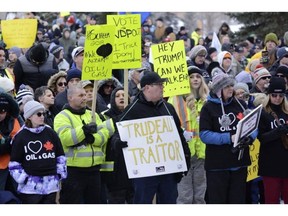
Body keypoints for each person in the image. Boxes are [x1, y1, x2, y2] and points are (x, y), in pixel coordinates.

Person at [113, 71, 191, 204]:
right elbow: (117, 133)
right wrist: (117, 142)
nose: (163, 87)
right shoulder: (133, 109)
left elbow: (178, 134)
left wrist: (186, 157)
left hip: (168, 170)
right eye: (159, 84)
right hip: (145, 173)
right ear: (147, 87)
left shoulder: (168, 108)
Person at [199, 72, 257, 204]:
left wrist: (250, 137)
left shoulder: (240, 104)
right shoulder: (208, 108)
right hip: (218, 165)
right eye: (227, 86)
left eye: (232, 85)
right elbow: (204, 135)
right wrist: (229, 138)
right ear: (218, 89)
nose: (231, 89)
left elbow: (253, 124)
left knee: (237, 201)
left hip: (239, 163)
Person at [53, 84, 115, 204]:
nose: (84, 98)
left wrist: (91, 139)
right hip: (74, 171)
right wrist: (84, 130)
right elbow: (66, 138)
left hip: (94, 170)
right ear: (70, 97)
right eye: (81, 95)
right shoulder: (62, 117)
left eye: (85, 95)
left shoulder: (93, 114)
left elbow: (104, 136)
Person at [8, 99, 67, 204]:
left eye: (43, 113)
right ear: (29, 117)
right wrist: (24, 179)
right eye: (38, 114)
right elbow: (14, 163)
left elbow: (60, 156)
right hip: (30, 189)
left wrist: (59, 174)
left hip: (51, 185)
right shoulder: (20, 136)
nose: (42, 116)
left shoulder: (50, 132)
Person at [168, 66, 209, 204]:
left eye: (198, 76)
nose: (195, 79)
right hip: (183, 153)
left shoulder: (207, 100)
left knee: (200, 194)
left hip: (201, 153)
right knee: (184, 195)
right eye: (191, 77)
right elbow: (168, 122)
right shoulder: (176, 99)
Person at [99, 87, 134, 204]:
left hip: (133, 168)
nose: (121, 98)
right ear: (112, 99)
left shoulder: (136, 113)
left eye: (124, 95)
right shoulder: (104, 115)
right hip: (114, 171)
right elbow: (102, 134)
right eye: (117, 96)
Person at [257, 76, 288, 204]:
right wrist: (279, 131)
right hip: (270, 164)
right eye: (274, 95)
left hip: (286, 162)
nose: (277, 98)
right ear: (269, 95)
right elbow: (261, 138)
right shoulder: (263, 113)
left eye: (280, 95)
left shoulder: (286, 111)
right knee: (271, 201)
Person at [0, 90, 24, 194]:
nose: (0, 114)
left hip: (13, 167)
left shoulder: (14, 121)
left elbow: (20, 142)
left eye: (2, 111)